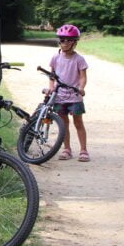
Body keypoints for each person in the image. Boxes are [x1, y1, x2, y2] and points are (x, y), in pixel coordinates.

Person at [50, 24, 90, 161]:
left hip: (74, 96)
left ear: (75, 42)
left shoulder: (79, 59)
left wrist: (81, 87)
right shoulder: (55, 58)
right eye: (62, 40)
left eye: (68, 40)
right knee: (63, 123)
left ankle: (83, 150)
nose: (65, 43)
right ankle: (66, 149)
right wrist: (51, 87)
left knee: (78, 122)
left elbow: (83, 76)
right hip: (60, 96)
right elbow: (52, 75)